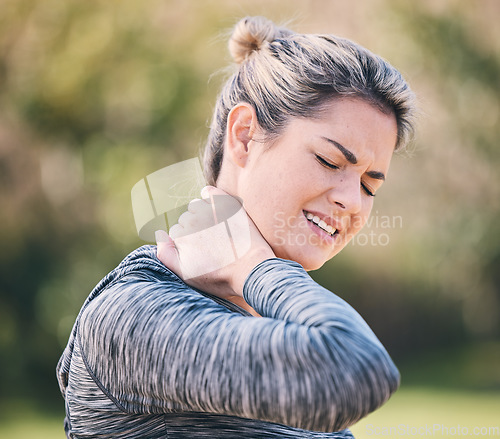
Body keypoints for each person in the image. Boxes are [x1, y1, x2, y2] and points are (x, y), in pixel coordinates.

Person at [57, 16, 416, 438]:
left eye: (370, 186)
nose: (351, 201)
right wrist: (252, 265)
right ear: (245, 136)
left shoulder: (285, 318)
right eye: (330, 162)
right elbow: (358, 372)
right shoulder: (133, 311)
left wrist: (254, 272)